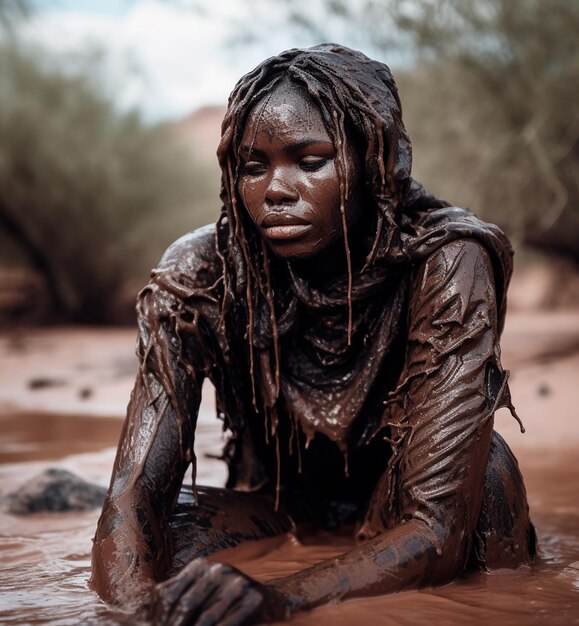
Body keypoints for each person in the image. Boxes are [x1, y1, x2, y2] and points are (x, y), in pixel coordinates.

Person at [91, 44, 535, 625]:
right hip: (278, 509)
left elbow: (436, 525)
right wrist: (138, 612)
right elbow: (131, 495)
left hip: (403, 506)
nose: (276, 190)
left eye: (311, 160)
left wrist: (279, 599)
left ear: (372, 161)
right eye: (255, 167)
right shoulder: (201, 270)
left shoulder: (448, 260)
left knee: (493, 474)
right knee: (155, 533)